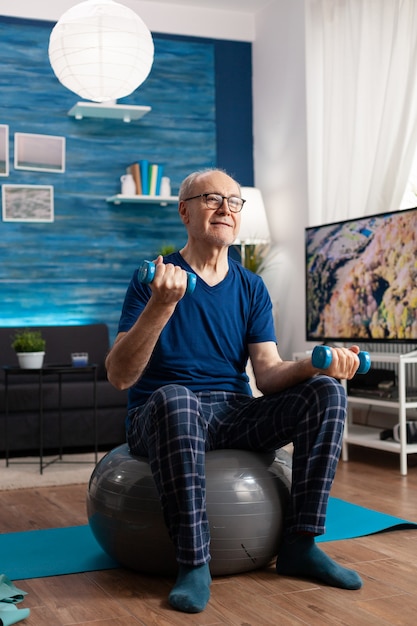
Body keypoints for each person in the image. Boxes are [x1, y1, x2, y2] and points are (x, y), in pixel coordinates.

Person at [105, 168, 363, 614]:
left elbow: (267, 373)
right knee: (176, 397)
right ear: (185, 211)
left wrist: (313, 365)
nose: (225, 208)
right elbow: (120, 376)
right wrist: (162, 304)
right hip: (162, 414)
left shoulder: (251, 286)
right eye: (211, 198)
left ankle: (301, 543)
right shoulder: (153, 279)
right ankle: (193, 562)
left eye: (233, 201)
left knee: (325, 392)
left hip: (232, 411)